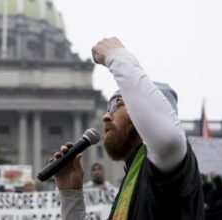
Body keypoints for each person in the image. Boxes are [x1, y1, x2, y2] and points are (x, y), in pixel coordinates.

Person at [52, 37, 205, 220]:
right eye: (108, 109)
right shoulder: (131, 179)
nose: (106, 116)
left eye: (118, 104)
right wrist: (70, 195)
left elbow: (168, 140)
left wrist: (118, 57)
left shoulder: (173, 164)